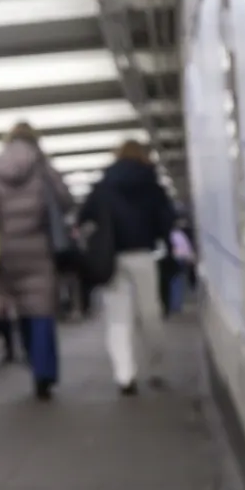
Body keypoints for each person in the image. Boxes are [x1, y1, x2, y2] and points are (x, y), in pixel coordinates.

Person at [0, 123, 74, 400]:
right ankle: (44, 373)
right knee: (42, 312)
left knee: (24, 311)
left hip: (11, 252)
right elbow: (65, 201)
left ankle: (33, 359)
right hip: (40, 250)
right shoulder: (42, 167)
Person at [82, 141, 177, 395]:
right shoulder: (152, 184)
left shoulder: (103, 185)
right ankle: (156, 369)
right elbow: (167, 220)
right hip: (144, 255)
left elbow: (84, 216)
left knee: (118, 317)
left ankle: (125, 375)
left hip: (112, 258)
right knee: (150, 313)